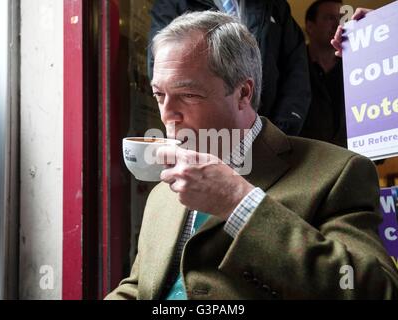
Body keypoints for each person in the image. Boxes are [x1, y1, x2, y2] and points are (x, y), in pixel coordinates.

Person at [106, 11, 398, 300]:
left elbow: (372, 292)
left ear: (243, 93)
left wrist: (238, 202)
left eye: (188, 95)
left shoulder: (339, 172)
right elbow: (139, 287)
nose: (167, 114)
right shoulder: (162, 193)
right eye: (159, 95)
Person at [147, 0, 311, 136]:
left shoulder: (275, 6)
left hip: (269, 129)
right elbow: (164, 73)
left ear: (244, 92)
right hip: (202, 137)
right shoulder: (173, 4)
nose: (166, 115)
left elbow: (296, 73)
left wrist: (279, 132)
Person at [300, 0, 347, 148]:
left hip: (351, 159)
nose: (338, 25)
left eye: (341, 19)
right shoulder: (292, 66)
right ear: (310, 26)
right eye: (329, 18)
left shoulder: (354, 67)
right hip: (305, 159)